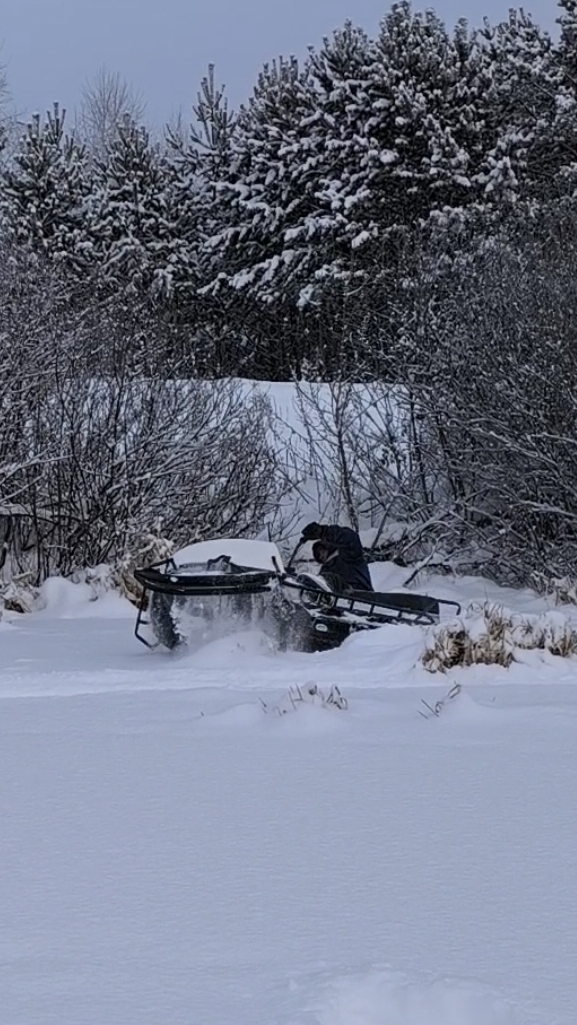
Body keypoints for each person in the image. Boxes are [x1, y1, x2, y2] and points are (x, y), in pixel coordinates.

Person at [300, 521, 373, 593]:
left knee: (328, 579)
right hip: (336, 600)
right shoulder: (324, 571)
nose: (321, 555)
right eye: (318, 556)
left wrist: (323, 532)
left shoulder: (348, 555)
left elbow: (351, 539)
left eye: (321, 551)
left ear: (327, 547)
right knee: (319, 581)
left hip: (360, 593)